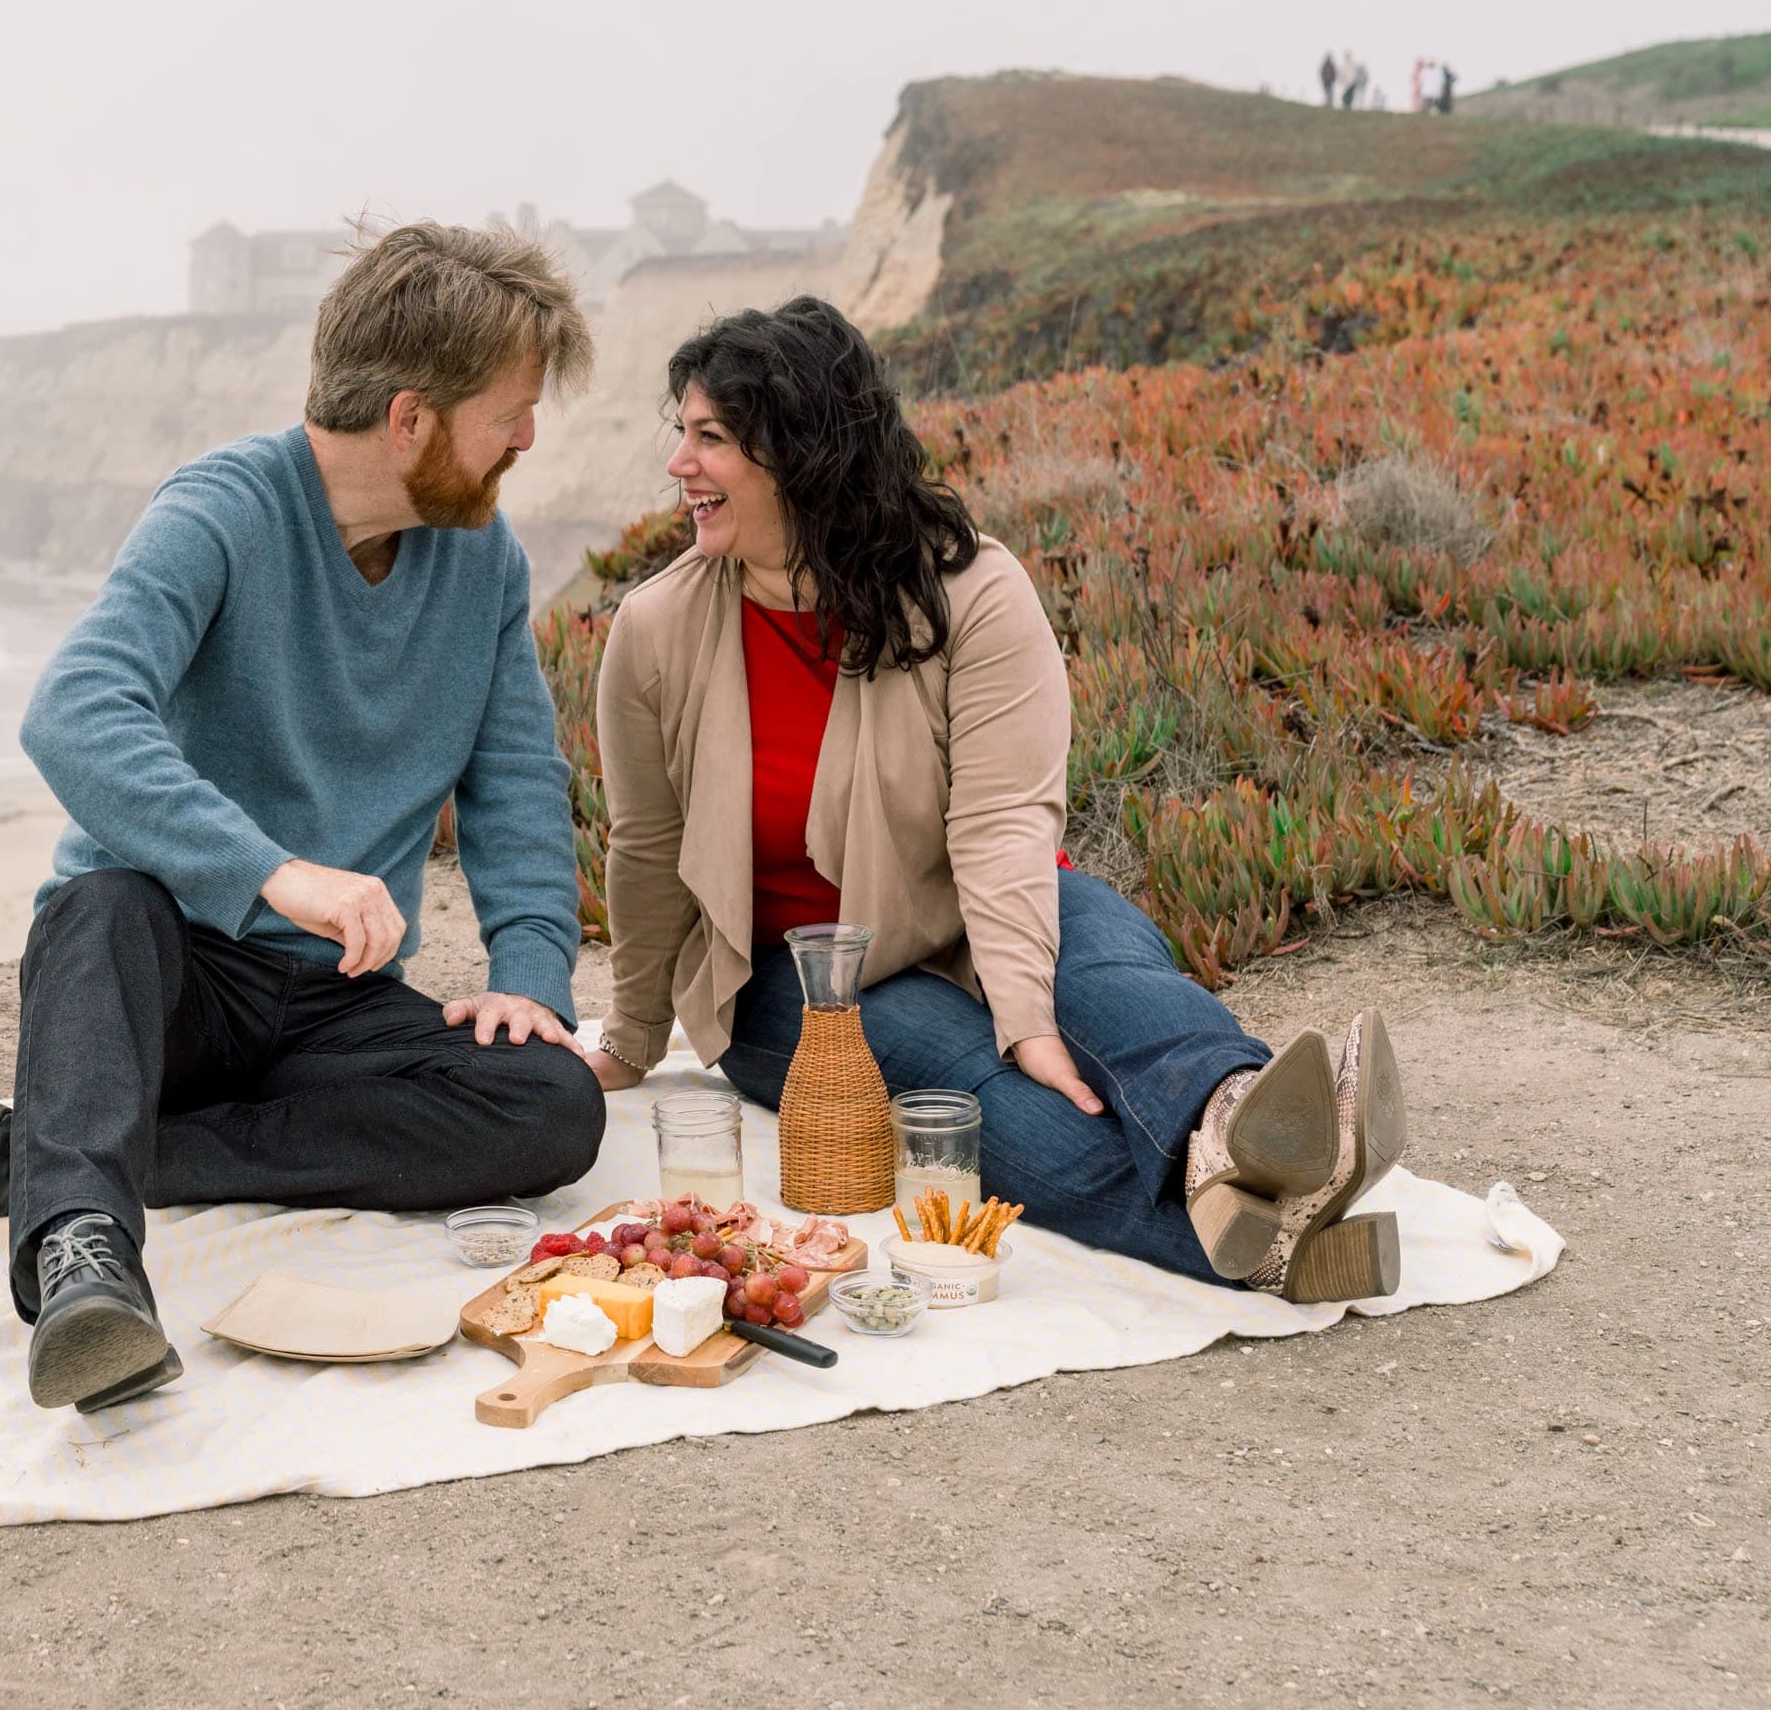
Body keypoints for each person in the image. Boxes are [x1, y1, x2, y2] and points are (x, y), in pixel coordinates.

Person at [589, 297, 1408, 1302]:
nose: (681, 465)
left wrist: (1026, 1009)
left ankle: (1244, 1121)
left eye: (709, 439)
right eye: (683, 434)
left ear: (798, 453)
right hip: (803, 975)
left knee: (1109, 993)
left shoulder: (968, 590)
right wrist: (631, 1038)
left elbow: (1000, 823)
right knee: (980, 1092)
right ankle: (1266, 1242)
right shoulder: (657, 629)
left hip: (993, 900)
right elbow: (647, 846)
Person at [0, 221, 612, 1412]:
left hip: (332, 1004)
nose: (527, 436)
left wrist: (532, 976)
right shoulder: (222, 509)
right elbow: (73, 712)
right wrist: (272, 872)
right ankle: (84, 1263)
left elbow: (518, 778)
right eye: (509, 411)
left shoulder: (483, 561)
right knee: (97, 910)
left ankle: (66, 1150)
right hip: (170, 976)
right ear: (411, 419)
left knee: (554, 1105)